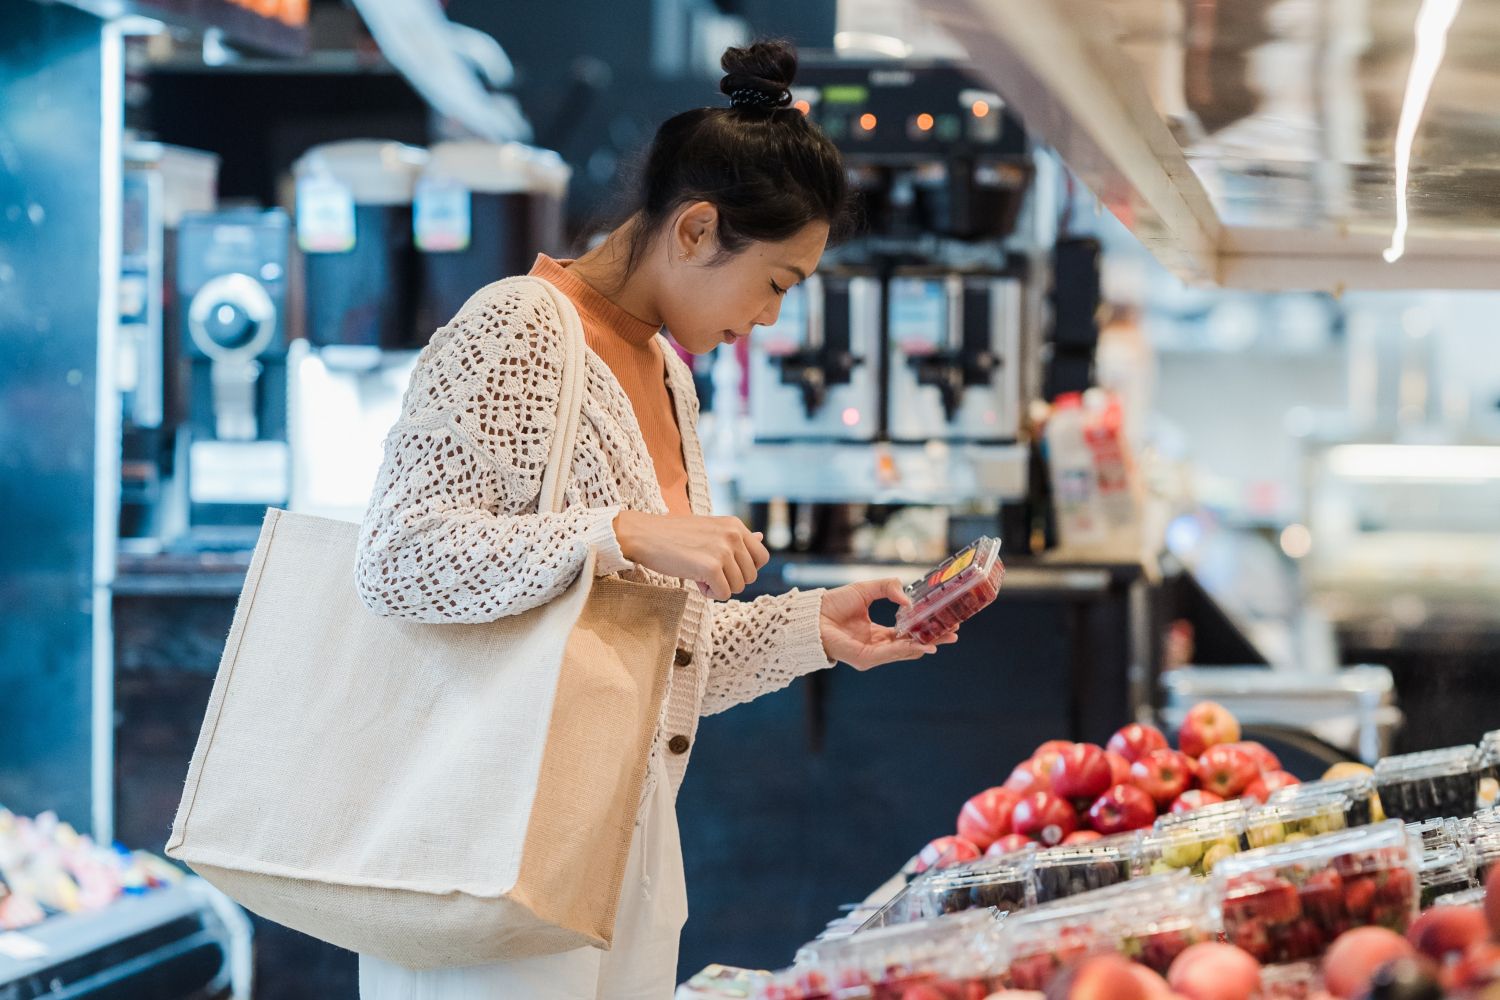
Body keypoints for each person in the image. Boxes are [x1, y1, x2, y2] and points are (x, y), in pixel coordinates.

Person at [353, 38, 958, 1000]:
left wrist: (816, 627)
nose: (770, 321)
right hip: (485, 855)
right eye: (775, 284)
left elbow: (647, 660)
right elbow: (397, 560)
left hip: (625, 854)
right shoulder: (517, 325)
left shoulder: (672, 375)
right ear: (694, 229)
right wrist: (624, 531)